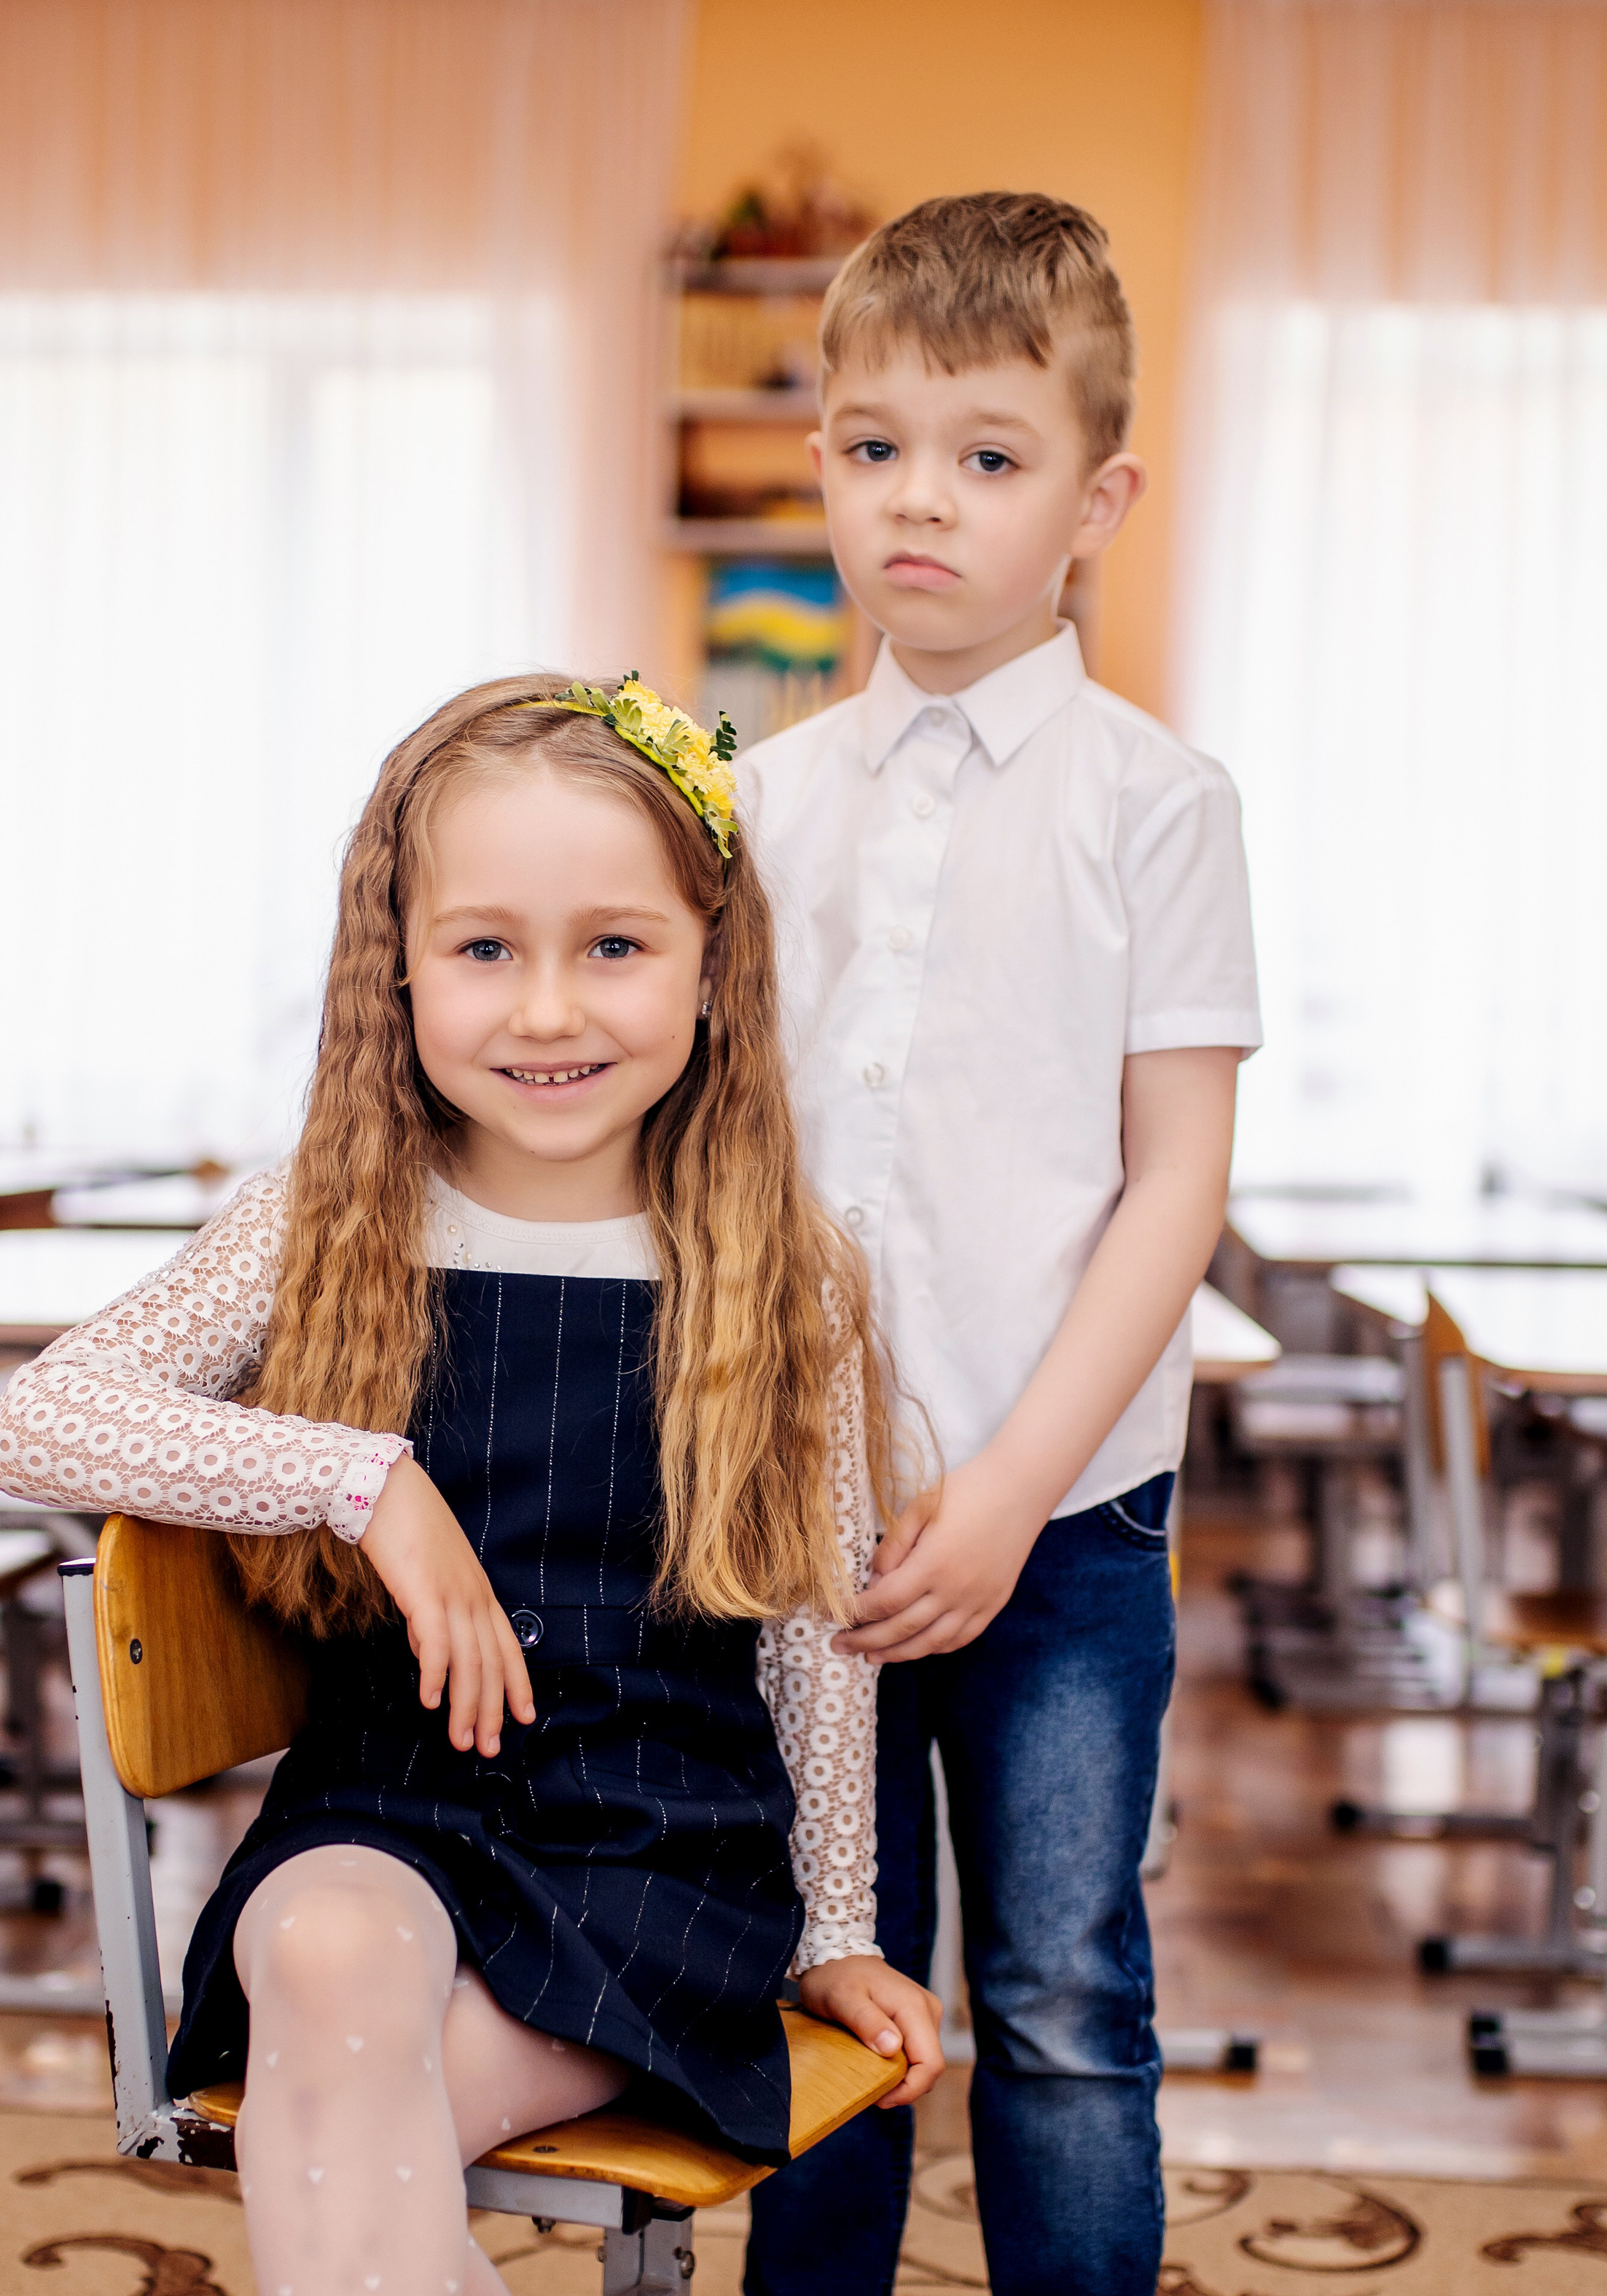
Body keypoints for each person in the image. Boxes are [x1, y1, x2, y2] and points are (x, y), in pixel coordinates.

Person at [0, 672, 942, 2296]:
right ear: (400, 970)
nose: (547, 1012)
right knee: (323, 1953)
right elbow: (38, 1420)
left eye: (614, 947)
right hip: (386, 1811)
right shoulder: (321, 1219)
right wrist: (364, 1481)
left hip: (657, 1851)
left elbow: (810, 1630)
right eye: (485, 949)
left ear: (715, 967)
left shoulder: (790, 1272)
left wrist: (837, 1926)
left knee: (348, 2127)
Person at [738, 193, 1262, 2296]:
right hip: (803, 1529)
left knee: (1059, 2008)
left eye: (987, 453)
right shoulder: (758, 801)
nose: (919, 502)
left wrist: (1015, 1480)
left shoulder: (1161, 800)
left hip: (1064, 1528)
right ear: (823, 471)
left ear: (1094, 497)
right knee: (824, 2005)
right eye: (875, 449)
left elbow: (1176, 1179)